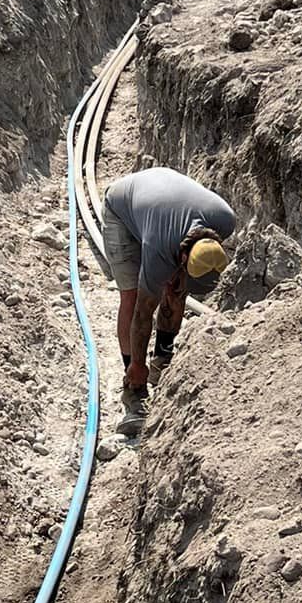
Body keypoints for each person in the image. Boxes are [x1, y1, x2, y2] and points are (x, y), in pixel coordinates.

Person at [101, 166, 236, 421]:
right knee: (133, 297)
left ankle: (162, 358)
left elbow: (180, 285)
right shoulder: (159, 248)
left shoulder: (225, 221)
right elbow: (143, 315)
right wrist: (138, 364)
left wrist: (179, 284)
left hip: (161, 203)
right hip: (122, 208)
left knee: (176, 290)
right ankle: (133, 382)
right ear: (183, 257)